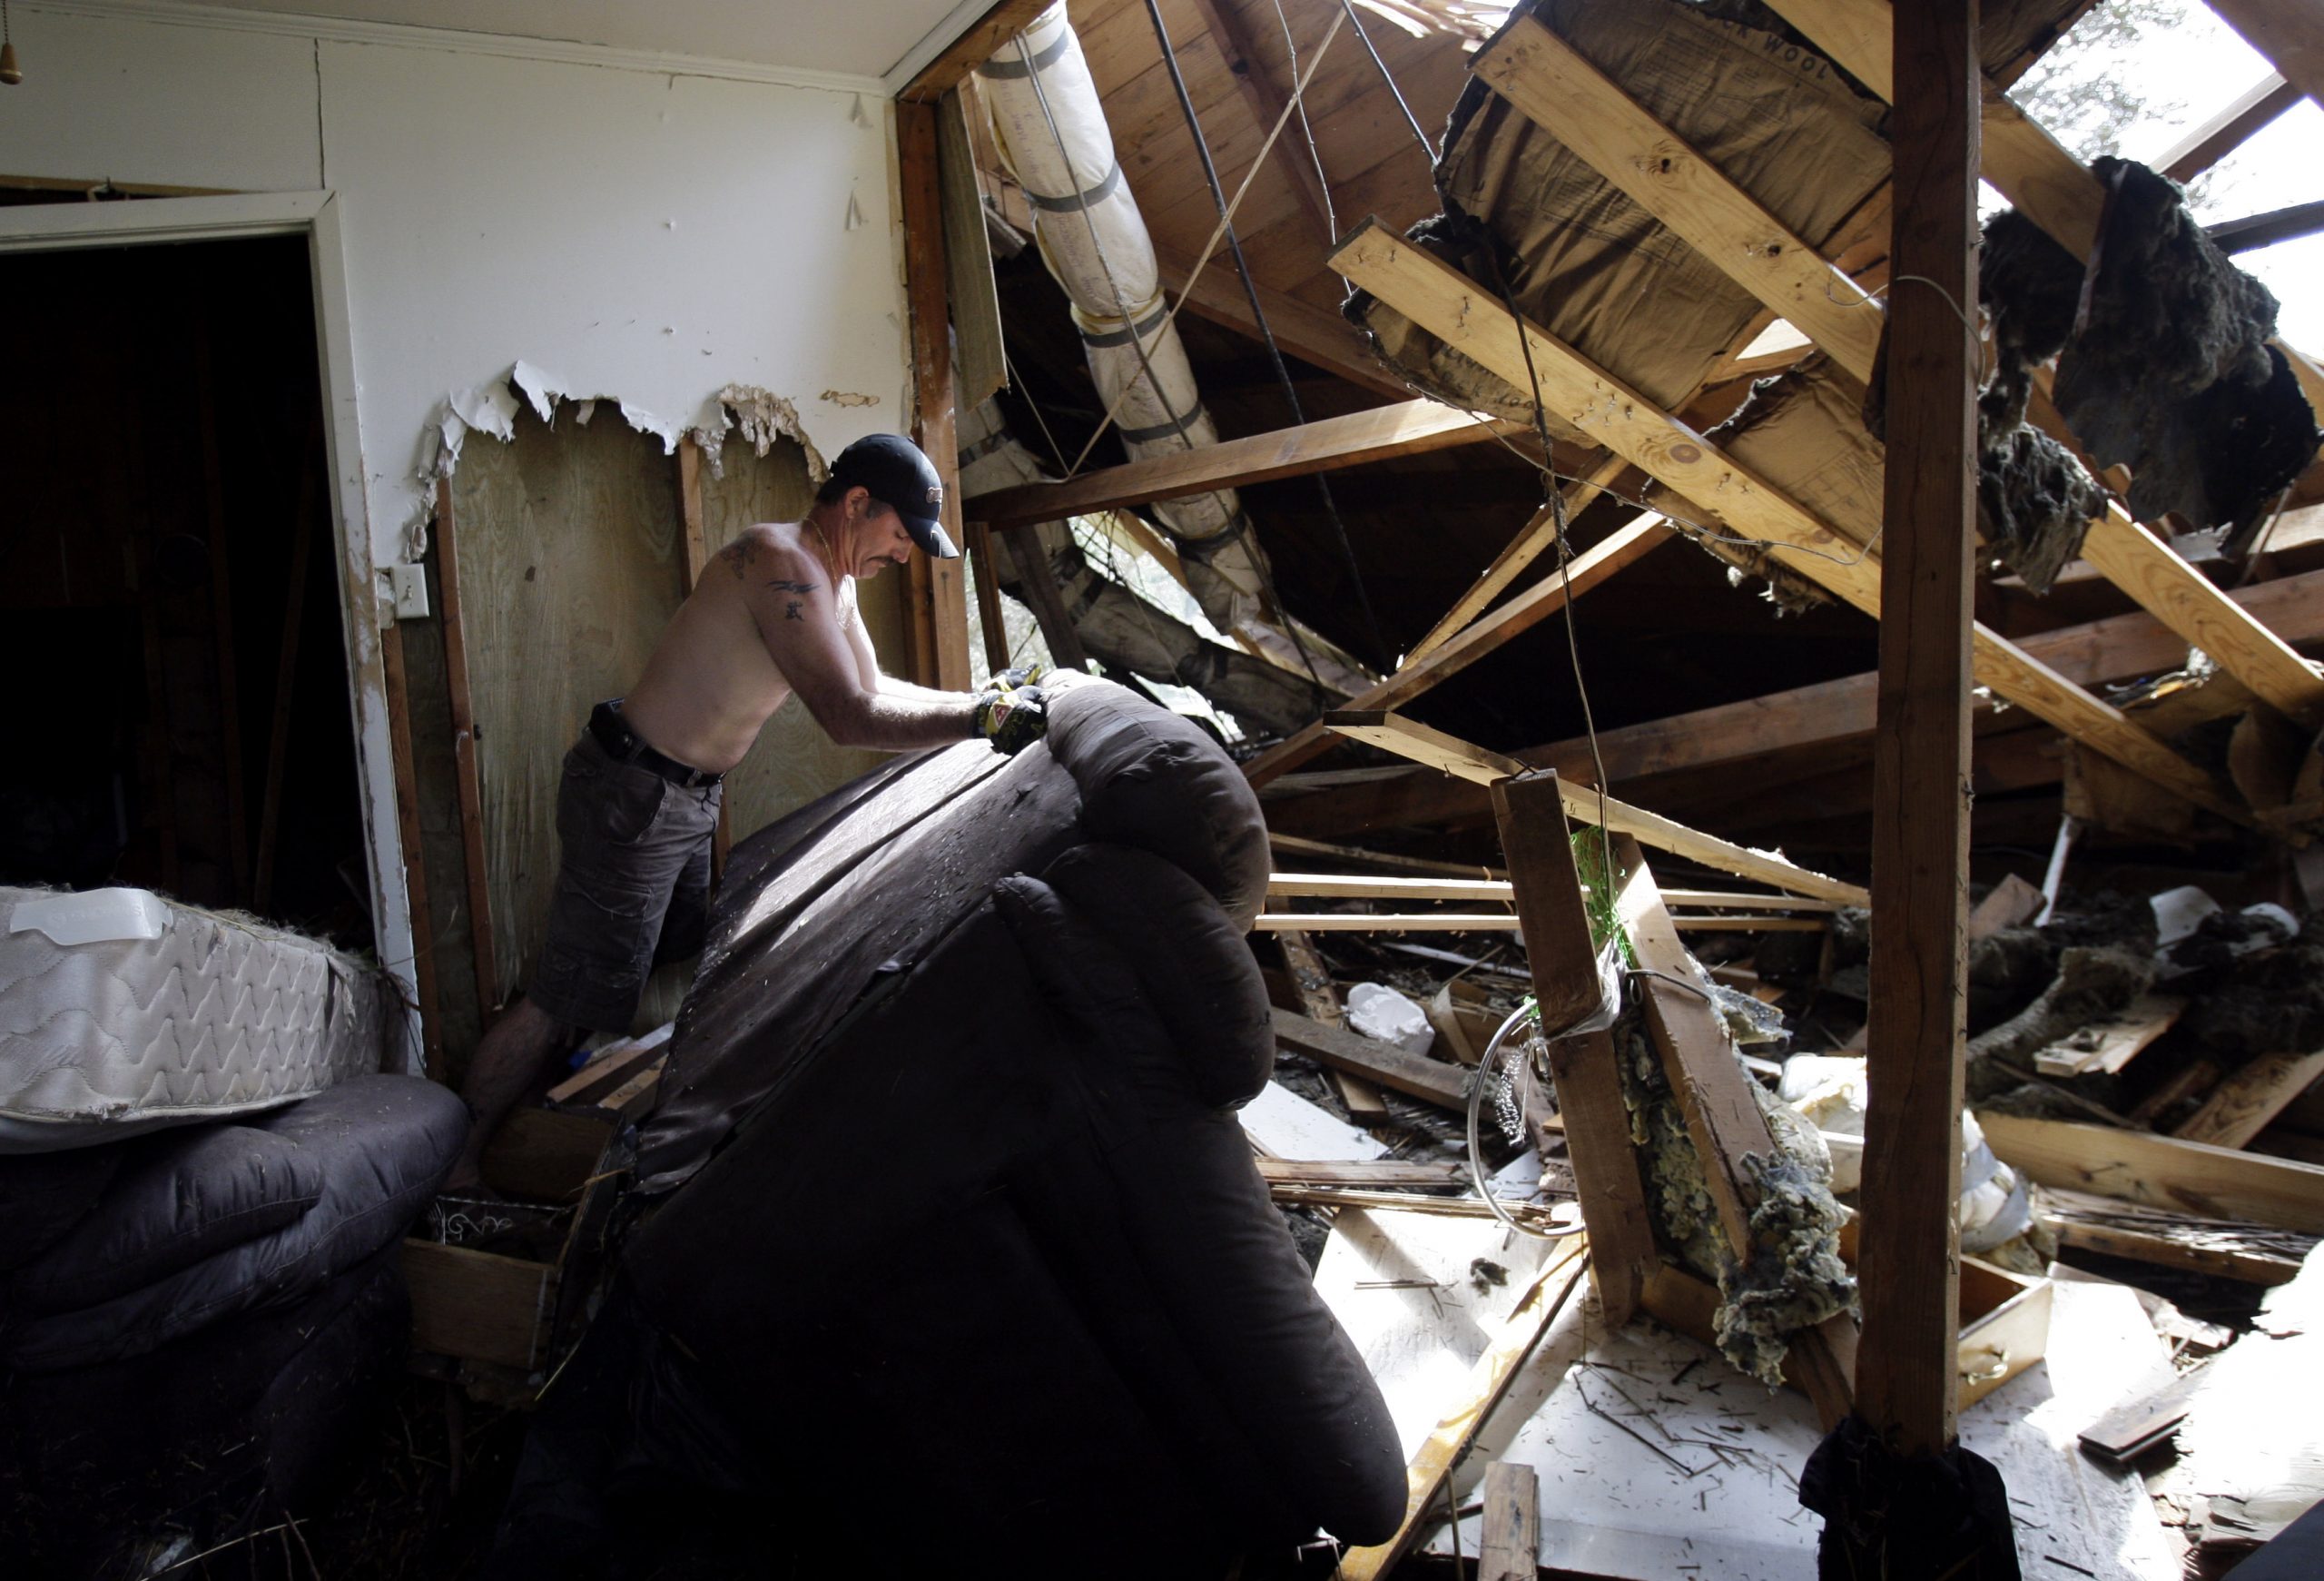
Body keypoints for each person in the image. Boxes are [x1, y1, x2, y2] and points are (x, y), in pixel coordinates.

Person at [445, 433, 1049, 1191]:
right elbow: (849, 716)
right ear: (857, 503)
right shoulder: (779, 564)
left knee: (633, 969)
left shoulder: (833, 580)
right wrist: (976, 721)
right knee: (563, 995)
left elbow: (877, 687)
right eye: (901, 534)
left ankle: (532, 1120)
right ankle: (454, 1165)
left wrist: (978, 701)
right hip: (634, 795)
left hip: (681, 797)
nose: (903, 555)